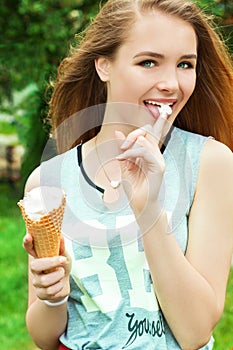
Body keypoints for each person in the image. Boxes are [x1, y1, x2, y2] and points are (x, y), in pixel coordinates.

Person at [22, 0, 233, 349]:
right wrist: (52, 297)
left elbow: (195, 332)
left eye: (185, 64)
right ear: (104, 65)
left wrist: (148, 208)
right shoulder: (48, 180)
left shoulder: (210, 163)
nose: (170, 83)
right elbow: (45, 337)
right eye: (148, 62)